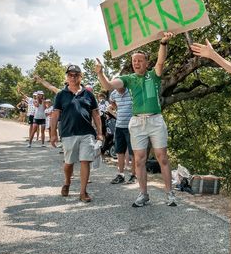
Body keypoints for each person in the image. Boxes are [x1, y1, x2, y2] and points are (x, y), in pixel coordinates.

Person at [94, 31, 177, 207]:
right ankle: (143, 194)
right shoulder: (128, 79)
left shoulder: (154, 75)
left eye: (140, 61)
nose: (136, 63)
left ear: (147, 62)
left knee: (162, 157)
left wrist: (163, 43)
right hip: (137, 122)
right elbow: (108, 86)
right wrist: (101, 74)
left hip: (155, 120)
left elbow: (161, 61)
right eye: (134, 61)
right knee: (139, 159)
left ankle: (170, 194)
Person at [49, 64, 104, 203]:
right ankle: (67, 182)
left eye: (76, 75)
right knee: (69, 163)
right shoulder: (61, 95)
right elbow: (55, 115)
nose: (73, 77)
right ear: (67, 77)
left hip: (87, 133)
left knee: (85, 161)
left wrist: (99, 133)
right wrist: (53, 134)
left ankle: (83, 191)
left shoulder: (88, 94)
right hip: (68, 133)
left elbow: (96, 114)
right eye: (70, 75)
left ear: (81, 77)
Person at [109, 85, 136, 184]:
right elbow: (111, 101)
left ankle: (134, 175)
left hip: (131, 127)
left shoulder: (131, 91)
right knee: (119, 151)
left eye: (119, 87)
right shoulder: (114, 93)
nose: (117, 89)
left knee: (133, 152)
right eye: (115, 87)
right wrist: (116, 108)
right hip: (119, 126)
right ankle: (121, 175)